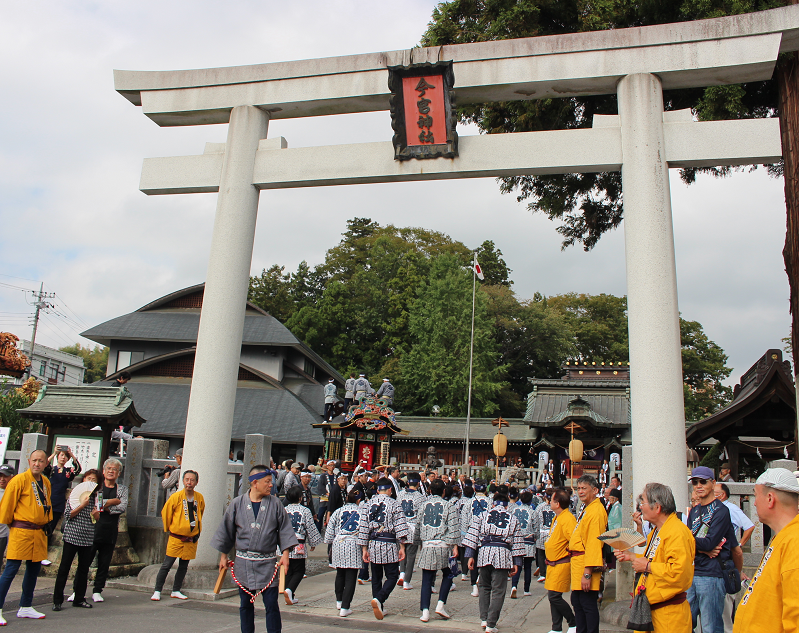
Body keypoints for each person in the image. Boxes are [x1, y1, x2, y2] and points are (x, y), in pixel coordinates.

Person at [211, 466, 298, 633]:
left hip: (268, 562)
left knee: (271, 604)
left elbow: (285, 530)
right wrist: (223, 556)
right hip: (243, 562)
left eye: (271, 482)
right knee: (245, 604)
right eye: (267, 482)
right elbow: (226, 531)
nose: (271, 485)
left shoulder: (275, 504)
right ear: (254, 483)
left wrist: (285, 555)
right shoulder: (237, 503)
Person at [615, 483, 695, 633]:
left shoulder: (677, 532)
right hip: (654, 611)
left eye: (643, 502)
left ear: (657, 507)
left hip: (668, 615)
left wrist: (647, 567)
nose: (640, 507)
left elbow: (679, 572)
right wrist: (631, 556)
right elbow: (656, 559)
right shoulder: (658, 530)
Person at [733, 467, 799, 633]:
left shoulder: (794, 541)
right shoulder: (783, 537)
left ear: (770, 499)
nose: (754, 503)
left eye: (755, 495)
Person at [463, 485, 525, 633]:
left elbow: (472, 536)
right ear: (507, 505)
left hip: (484, 552)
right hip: (502, 554)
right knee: (498, 590)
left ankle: (484, 619)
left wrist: (470, 556)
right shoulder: (513, 518)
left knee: (484, 586)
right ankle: (491, 623)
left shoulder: (482, 516)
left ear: (493, 504)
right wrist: (517, 562)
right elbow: (517, 542)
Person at [0, 449, 52, 623]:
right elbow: (6, 509)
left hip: (39, 532)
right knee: (11, 569)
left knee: (33, 570)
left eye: (41, 461)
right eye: (34, 460)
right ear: (29, 461)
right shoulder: (18, 480)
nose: (37, 464)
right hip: (21, 531)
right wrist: (13, 525)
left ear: (46, 463)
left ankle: (26, 605)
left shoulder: (45, 482)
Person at [686, 466, 738, 633]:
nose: (698, 485)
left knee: (711, 627)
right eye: (695, 482)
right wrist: (700, 547)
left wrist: (696, 545)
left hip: (712, 574)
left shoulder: (721, 511)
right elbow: (688, 544)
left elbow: (709, 543)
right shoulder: (694, 511)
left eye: (703, 481)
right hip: (693, 572)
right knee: (684, 623)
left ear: (713, 483)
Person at [358, 477, 410, 620]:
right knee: (392, 576)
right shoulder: (394, 504)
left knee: (376, 577)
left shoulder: (368, 504)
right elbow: (400, 526)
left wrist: (364, 548)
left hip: (373, 543)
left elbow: (363, 527)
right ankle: (380, 599)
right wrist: (402, 546)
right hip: (389, 543)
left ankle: (378, 602)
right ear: (389, 490)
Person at [151, 469, 204, 601]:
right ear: (183, 481)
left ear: (196, 482)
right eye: (187, 479)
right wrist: (170, 528)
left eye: (192, 480)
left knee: (184, 566)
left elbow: (200, 513)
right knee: (167, 565)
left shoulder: (199, 498)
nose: (189, 482)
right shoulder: (176, 496)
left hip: (191, 539)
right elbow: (166, 513)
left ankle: (176, 589)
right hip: (176, 537)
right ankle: (157, 590)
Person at [53, 468, 100, 610]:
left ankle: (79, 598)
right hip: (72, 534)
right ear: (83, 479)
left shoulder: (97, 497)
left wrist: (96, 514)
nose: (90, 481)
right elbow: (68, 515)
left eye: (94, 480)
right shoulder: (76, 494)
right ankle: (57, 600)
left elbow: (96, 519)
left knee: (83, 569)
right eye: (88, 478)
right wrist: (82, 505)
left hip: (87, 536)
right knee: (64, 568)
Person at [416, 479, 459, 622]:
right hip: (443, 545)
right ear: (444, 491)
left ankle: (425, 611)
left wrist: (418, 542)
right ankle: (440, 604)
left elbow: (417, 526)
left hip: (427, 544)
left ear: (429, 491)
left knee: (427, 578)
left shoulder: (423, 505)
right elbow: (453, 528)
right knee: (448, 574)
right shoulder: (449, 506)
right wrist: (454, 546)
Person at [568, 475, 607, 633]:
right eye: (578, 489)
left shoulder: (596, 511)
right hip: (579, 562)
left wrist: (588, 572)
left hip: (585, 563)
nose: (580, 492)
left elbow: (593, 543)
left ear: (595, 490)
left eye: (584, 488)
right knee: (578, 602)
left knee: (587, 604)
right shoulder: (588, 508)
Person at [90, 457, 129, 602]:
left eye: (115, 469)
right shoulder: (97, 487)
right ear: (104, 471)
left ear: (119, 473)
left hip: (111, 529)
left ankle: (97, 590)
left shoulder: (122, 489)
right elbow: (96, 504)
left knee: (104, 562)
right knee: (86, 559)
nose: (111, 471)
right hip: (94, 527)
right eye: (109, 469)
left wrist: (104, 506)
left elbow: (122, 507)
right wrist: (113, 501)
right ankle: (77, 589)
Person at [324, 490, 363, 617]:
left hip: (339, 543)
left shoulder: (338, 511)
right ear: (358, 500)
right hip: (354, 544)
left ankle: (339, 601)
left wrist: (329, 542)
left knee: (340, 573)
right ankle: (345, 607)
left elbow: (329, 531)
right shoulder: (361, 511)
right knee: (351, 576)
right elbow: (364, 531)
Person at [545, 487, 577, 633]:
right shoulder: (558, 517)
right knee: (553, 595)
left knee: (554, 596)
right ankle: (556, 627)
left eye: (551, 499)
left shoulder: (568, 518)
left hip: (561, 561)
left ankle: (573, 622)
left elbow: (574, 540)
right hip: (553, 562)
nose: (549, 502)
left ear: (557, 503)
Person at [283, 485, 322, 605]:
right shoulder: (305, 510)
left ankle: (289, 592)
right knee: (299, 570)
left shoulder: (284, 510)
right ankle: (290, 590)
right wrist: (313, 542)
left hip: (285, 544)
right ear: (300, 498)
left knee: (288, 570)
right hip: (298, 543)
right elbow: (310, 527)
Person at [43, 445, 82, 556]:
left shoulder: (68, 472)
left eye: (65, 456)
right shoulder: (51, 469)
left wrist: (72, 455)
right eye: (61, 455)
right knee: (41, 527)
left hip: (59, 503)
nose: (63, 458)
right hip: (47, 502)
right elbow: (44, 465)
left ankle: (44, 553)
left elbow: (78, 469)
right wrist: (54, 453)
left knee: (50, 529)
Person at [396, 472, 425, 589]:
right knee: (411, 554)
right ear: (418, 483)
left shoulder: (400, 494)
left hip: (401, 526)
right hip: (413, 527)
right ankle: (407, 581)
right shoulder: (420, 497)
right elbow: (421, 515)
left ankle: (402, 573)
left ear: (408, 482)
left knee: (402, 551)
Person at [460, 479, 489, 596]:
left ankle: (474, 586)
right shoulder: (490, 501)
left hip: (472, 533)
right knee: (484, 560)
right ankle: (482, 580)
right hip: (486, 535)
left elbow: (464, 520)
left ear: (475, 489)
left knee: (473, 559)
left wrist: (466, 535)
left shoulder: (469, 502)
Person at [510, 489, 537, 598]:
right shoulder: (532, 512)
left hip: (517, 540)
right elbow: (536, 528)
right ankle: (526, 589)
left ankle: (514, 586)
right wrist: (536, 537)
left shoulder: (514, 510)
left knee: (517, 565)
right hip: (529, 540)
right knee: (528, 566)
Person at [533, 488, 556, 583]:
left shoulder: (540, 507)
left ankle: (543, 574)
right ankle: (551, 573)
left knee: (541, 554)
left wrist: (536, 533)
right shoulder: (556, 506)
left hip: (542, 532)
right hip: (553, 532)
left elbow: (536, 520)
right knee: (551, 555)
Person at [0, 465, 15, 561]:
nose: (2, 479)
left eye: (5, 476)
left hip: (5, 533)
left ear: (12, 477)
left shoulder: (15, 491)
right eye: (0, 476)